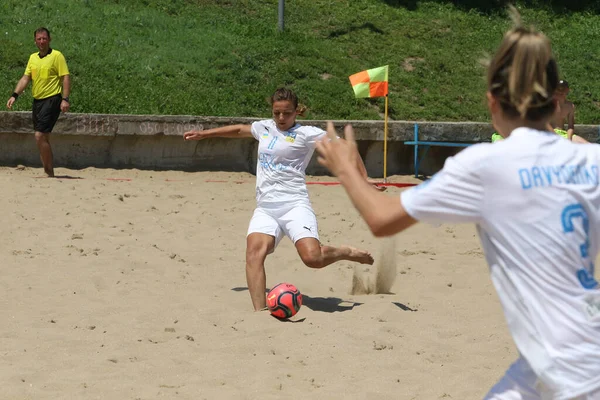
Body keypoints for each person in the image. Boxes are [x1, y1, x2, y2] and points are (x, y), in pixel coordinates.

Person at [316, 10, 600, 400]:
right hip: (560, 358)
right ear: (555, 102)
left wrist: (346, 168)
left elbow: (382, 219)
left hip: (567, 372)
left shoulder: (486, 164)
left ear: (492, 101)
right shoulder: (589, 160)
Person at [183, 88, 375, 311]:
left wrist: (363, 178)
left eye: (287, 113)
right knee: (254, 253)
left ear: (296, 112)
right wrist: (204, 135)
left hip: (294, 205)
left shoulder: (308, 134)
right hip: (266, 208)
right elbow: (238, 130)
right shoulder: (264, 127)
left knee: (312, 259)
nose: (281, 118)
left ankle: (346, 252)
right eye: (277, 113)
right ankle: (260, 311)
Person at [6, 27, 71, 177]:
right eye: (39, 39)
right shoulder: (33, 58)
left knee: (39, 135)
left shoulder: (57, 56)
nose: (42, 41)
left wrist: (65, 99)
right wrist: (15, 95)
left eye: (44, 38)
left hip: (52, 98)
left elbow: (65, 77)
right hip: (38, 101)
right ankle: (48, 171)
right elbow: (26, 78)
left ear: (49, 39)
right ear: (35, 41)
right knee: (43, 138)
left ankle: (49, 172)